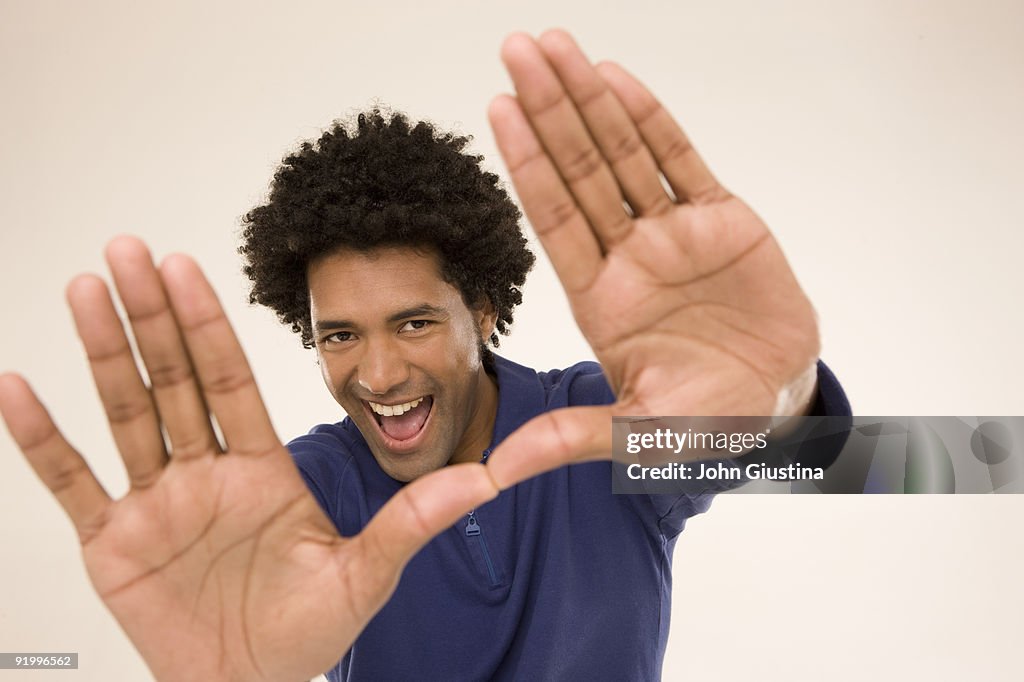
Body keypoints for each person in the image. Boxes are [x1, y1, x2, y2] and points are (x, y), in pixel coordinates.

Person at [0, 30, 849, 681]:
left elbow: (947, 461)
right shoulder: (307, 493)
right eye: (339, 335)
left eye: (412, 323)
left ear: (481, 310)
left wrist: (783, 398)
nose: (376, 377)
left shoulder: (599, 426)